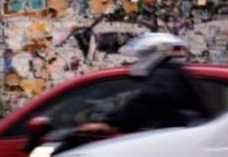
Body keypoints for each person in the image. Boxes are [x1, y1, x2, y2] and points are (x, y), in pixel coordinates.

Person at [79, 33, 210, 134]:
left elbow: (146, 101)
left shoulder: (165, 76)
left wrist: (109, 123)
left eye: (143, 56)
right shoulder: (178, 74)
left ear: (154, 53)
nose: (139, 61)